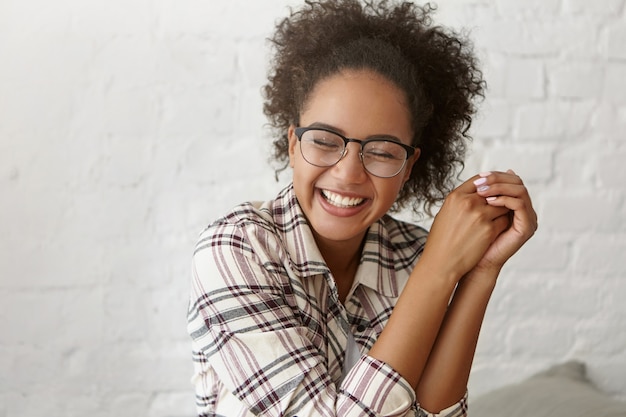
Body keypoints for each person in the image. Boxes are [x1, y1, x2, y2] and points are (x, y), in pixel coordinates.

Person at [187, 1, 538, 416]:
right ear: (293, 145)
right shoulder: (236, 249)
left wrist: (478, 272)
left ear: (409, 167)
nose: (349, 173)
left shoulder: (414, 253)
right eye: (324, 140)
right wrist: (440, 266)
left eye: (383, 151)